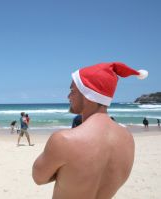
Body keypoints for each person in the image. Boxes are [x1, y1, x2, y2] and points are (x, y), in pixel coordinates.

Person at [33, 62, 148, 198]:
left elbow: (38, 178)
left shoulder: (64, 140)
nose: (68, 97)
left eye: (72, 91)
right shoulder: (127, 139)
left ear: (88, 95)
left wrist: (64, 171)